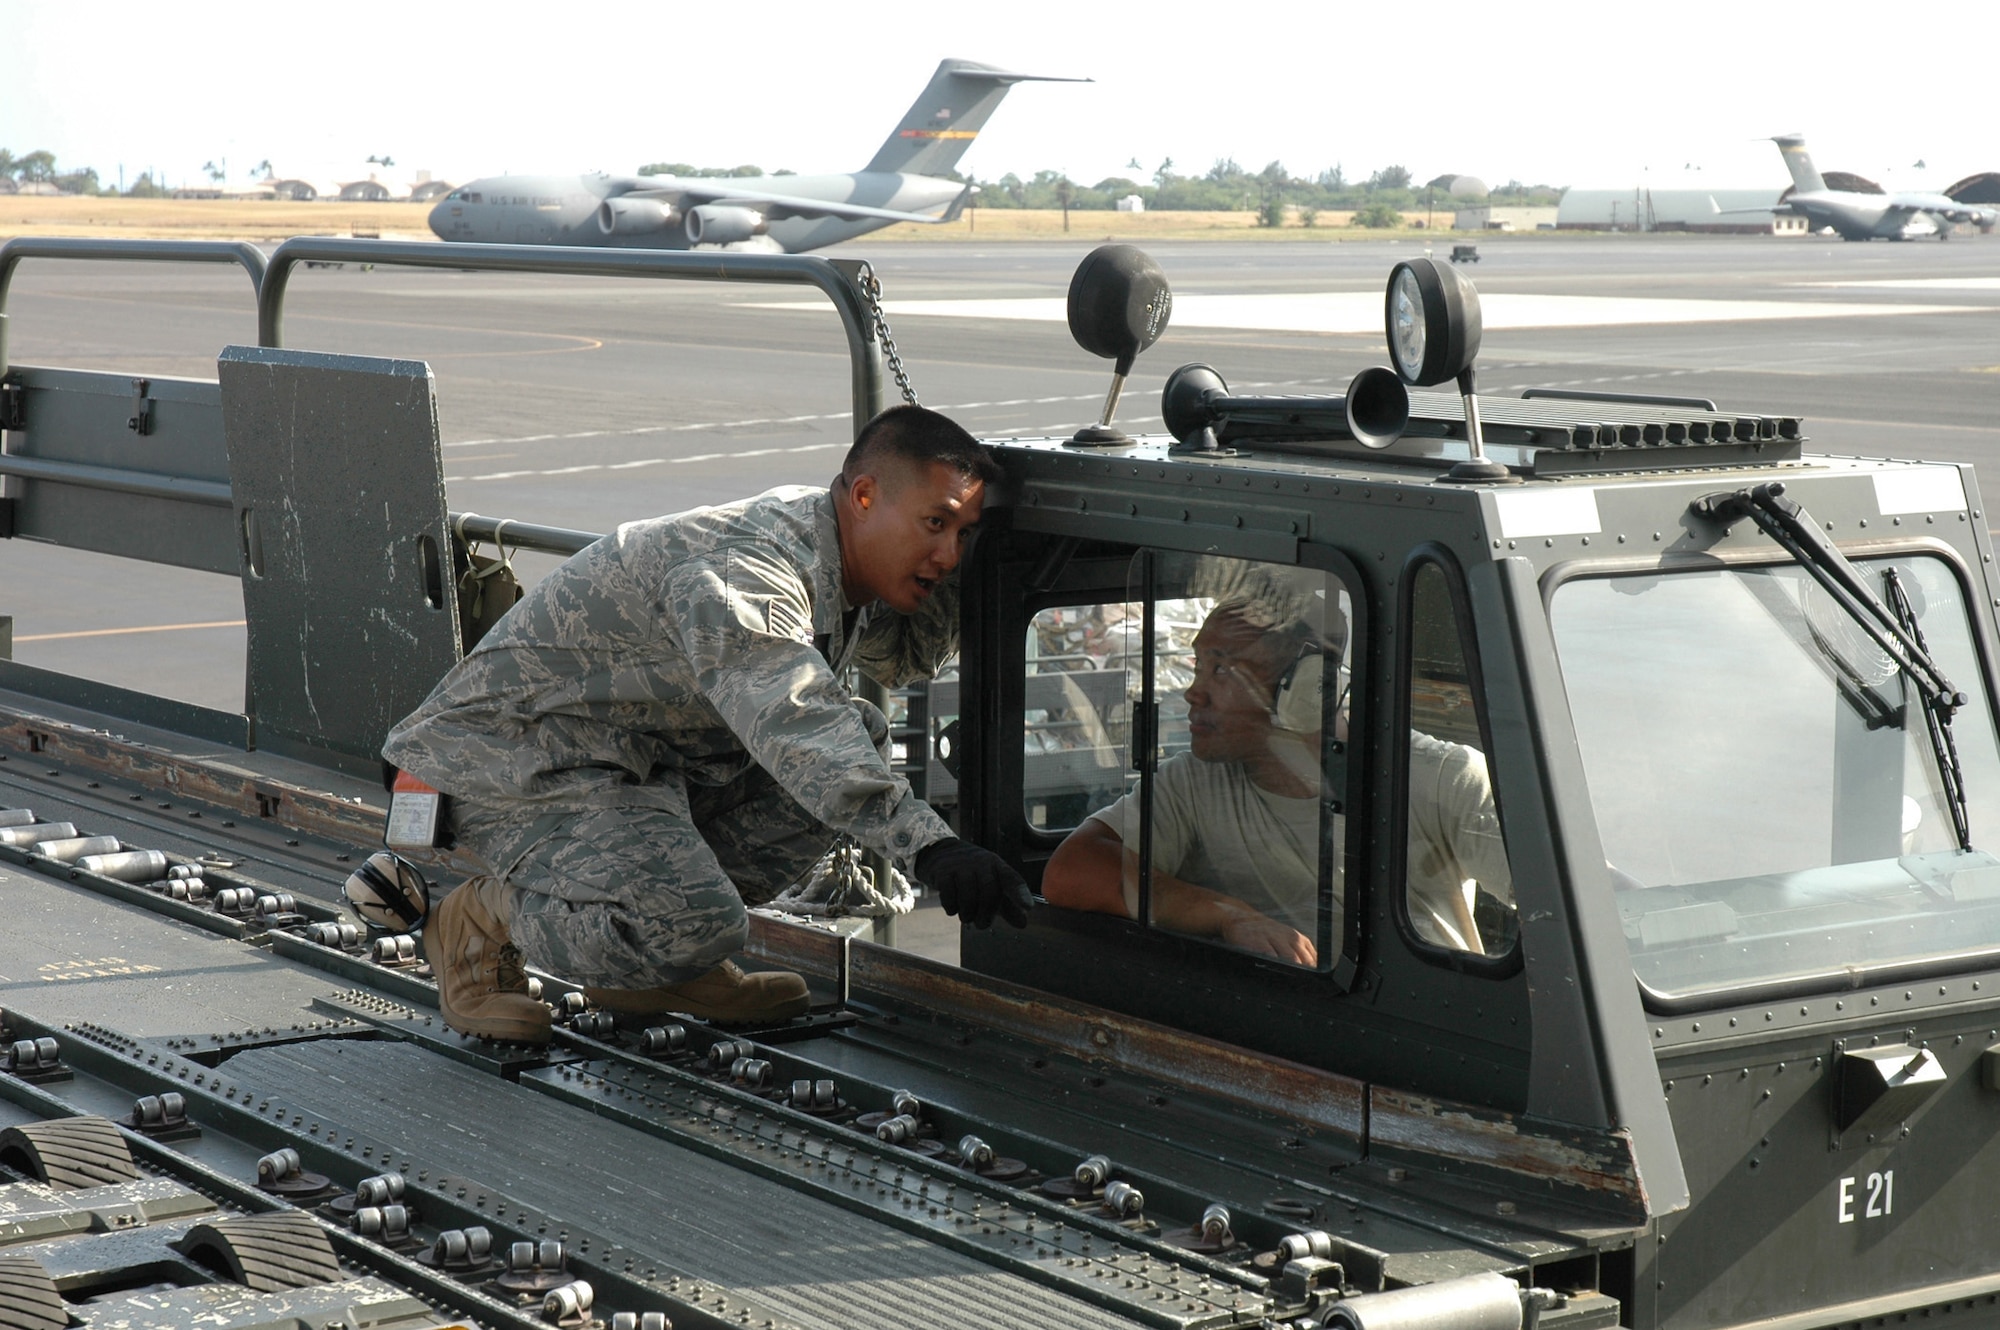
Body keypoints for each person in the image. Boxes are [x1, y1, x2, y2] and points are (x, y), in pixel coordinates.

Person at [385, 405, 1033, 1043]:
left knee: (858, 733)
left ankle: (660, 952)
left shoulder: (836, 550)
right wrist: (931, 847)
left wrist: (993, 546)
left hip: (622, 767)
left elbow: (904, 656)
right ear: (865, 496)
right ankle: (484, 917)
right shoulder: (749, 571)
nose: (948, 553)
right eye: (936, 524)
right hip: (502, 759)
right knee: (720, 896)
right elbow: (797, 718)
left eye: (964, 534)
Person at [1040, 598, 1510, 964]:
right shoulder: (1196, 782)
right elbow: (1071, 871)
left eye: (1221, 669)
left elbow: (1560, 918)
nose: (1193, 691)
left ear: (1309, 688)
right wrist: (1232, 916)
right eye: (1199, 665)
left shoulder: (1444, 778)